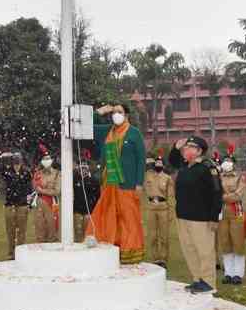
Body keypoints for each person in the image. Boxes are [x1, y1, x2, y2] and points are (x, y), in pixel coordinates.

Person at [86, 103, 146, 264]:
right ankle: (109, 247)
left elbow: (141, 160)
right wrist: (99, 112)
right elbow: (87, 125)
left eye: (119, 112)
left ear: (127, 115)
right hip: (108, 183)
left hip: (127, 184)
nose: (116, 115)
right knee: (106, 215)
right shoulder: (107, 131)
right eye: (114, 112)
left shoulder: (134, 134)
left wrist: (139, 183)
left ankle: (129, 251)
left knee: (128, 218)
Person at [168, 135, 223, 294]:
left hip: (202, 218)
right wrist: (175, 147)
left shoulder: (208, 167)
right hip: (183, 215)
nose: (186, 150)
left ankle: (208, 282)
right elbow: (172, 161)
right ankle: (197, 279)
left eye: (190, 147)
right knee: (189, 249)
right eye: (186, 148)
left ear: (199, 151)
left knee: (204, 250)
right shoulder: (185, 166)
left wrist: (214, 217)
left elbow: (217, 193)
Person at [0, 151, 33, 259]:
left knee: (22, 231)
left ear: (21, 161)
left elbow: (30, 190)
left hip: (22, 205)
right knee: (10, 231)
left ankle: (20, 254)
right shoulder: (7, 171)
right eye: (15, 160)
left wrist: (29, 205)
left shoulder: (26, 172)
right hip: (10, 205)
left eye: (18, 160)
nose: (16, 162)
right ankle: (11, 254)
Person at [218, 149, 246, 285]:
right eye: (225, 161)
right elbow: (214, 193)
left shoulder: (240, 177)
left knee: (238, 242)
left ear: (234, 164)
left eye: (229, 161)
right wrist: (225, 197)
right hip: (222, 212)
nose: (227, 163)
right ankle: (228, 273)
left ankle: (238, 273)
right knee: (225, 242)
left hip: (237, 212)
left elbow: (238, 195)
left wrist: (224, 197)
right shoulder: (218, 177)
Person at [144, 155, 174, 268]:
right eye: (156, 163)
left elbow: (170, 196)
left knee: (164, 236)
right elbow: (144, 164)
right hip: (151, 207)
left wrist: (171, 212)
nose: (158, 165)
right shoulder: (148, 176)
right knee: (152, 236)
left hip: (163, 208)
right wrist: (149, 160)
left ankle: (163, 259)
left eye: (160, 163)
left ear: (163, 166)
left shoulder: (167, 178)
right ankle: (155, 259)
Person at [32, 146, 61, 243]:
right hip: (39, 203)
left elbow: (57, 191)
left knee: (52, 230)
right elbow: (35, 187)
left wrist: (42, 190)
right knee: (40, 230)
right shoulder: (38, 174)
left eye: (48, 159)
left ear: (52, 160)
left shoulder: (57, 173)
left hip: (52, 204)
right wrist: (46, 190)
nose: (46, 161)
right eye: (44, 159)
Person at [73, 158, 100, 243]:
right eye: (81, 166)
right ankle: (78, 248)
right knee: (78, 230)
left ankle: (87, 251)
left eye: (85, 166)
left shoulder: (94, 180)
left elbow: (97, 196)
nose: (83, 168)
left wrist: (94, 209)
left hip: (89, 210)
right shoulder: (73, 179)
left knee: (88, 232)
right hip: (77, 209)